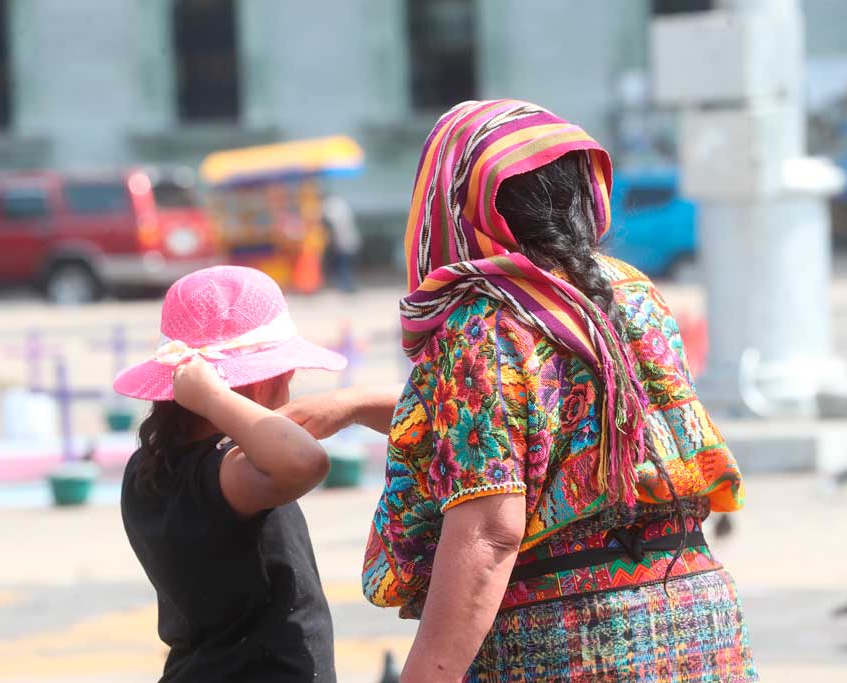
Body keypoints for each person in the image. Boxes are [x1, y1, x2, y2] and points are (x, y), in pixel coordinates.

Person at [280, 100, 758, 682]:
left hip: (569, 641)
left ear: (452, 203)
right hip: (699, 620)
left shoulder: (483, 323)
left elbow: (490, 531)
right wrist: (355, 405)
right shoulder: (630, 292)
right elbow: (553, 424)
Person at [113, 265, 348, 683]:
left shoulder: (149, 466)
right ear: (261, 385)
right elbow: (306, 461)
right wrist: (213, 396)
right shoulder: (226, 472)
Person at [321, 194, 361, 293]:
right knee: (346, 266)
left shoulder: (331, 209)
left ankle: (347, 286)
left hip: (343, 243)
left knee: (343, 267)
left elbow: (331, 228)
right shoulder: (342, 207)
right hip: (349, 241)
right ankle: (348, 286)